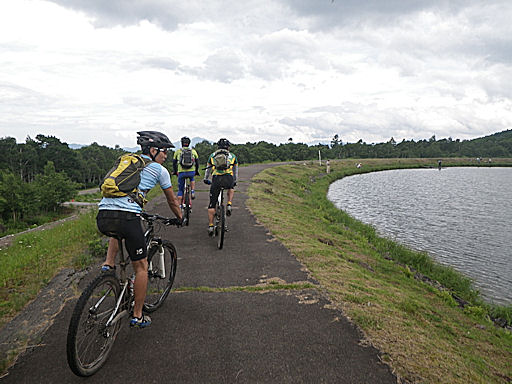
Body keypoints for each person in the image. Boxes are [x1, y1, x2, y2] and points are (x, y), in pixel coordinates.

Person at [96, 131, 182, 328]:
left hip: (103, 215)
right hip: (128, 217)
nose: (166, 156)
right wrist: (180, 217)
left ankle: (108, 265)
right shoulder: (160, 170)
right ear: (153, 150)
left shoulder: (126, 160)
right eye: (164, 152)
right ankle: (137, 315)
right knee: (141, 268)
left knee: (118, 233)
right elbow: (171, 200)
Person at [203, 138, 238, 236]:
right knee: (231, 187)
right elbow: (235, 171)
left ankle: (210, 226)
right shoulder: (233, 156)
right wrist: (234, 181)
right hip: (228, 179)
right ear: (228, 147)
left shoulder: (212, 155)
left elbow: (208, 170)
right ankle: (229, 204)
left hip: (216, 179)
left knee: (212, 204)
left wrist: (205, 179)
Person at [172, 136, 200, 208]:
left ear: (181, 143)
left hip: (181, 172)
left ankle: (180, 206)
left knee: (180, 190)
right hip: (191, 171)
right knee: (192, 178)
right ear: (189, 143)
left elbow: (174, 163)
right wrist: (196, 171)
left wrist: (175, 172)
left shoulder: (178, 151)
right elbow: (197, 162)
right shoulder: (193, 151)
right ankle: (193, 191)